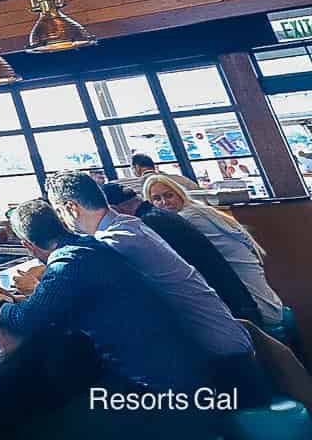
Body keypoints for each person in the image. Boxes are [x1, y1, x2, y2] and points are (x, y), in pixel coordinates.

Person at [0, 201, 225, 435]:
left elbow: (26, 320)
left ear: (28, 245)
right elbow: (57, 304)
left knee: (34, 425)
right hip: (189, 377)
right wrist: (20, 302)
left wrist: (1, 304)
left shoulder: (67, 264)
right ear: (63, 224)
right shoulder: (90, 247)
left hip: (159, 395)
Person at [45, 172, 266, 405]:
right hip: (227, 345)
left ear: (70, 208)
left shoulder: (116, 240)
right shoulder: (128, 225)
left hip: (224, 365)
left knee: (98, 401)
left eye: (59, 212)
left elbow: (75, 276)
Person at [103, 183, 263, 326]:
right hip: (239, 304)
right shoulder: (159, 215)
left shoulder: (148, 226)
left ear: (114, 210)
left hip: (231, 314)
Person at [144, 174, 285, 327]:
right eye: (157, 199)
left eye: (168, 195)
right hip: (250, 277)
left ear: (180, 194)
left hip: (254, 294)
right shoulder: (198, 209)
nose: (164, 202)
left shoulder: (188, 217)